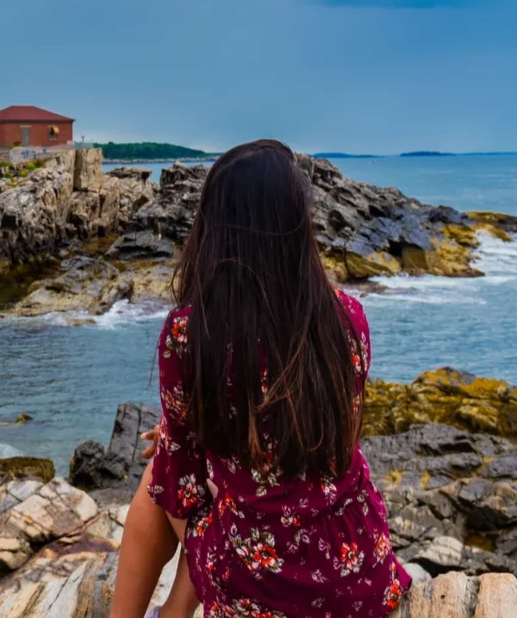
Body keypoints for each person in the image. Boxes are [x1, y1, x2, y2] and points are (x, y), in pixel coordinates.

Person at [111, 140, 410, 618]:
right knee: (226, 490)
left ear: (215, 226)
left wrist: (174, 441)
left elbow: (180, 482)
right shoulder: (347, 317)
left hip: (261, 587)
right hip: (360, 573)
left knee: (158, 476)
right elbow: (336, 442)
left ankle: (161, 612)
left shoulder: (191, 333)